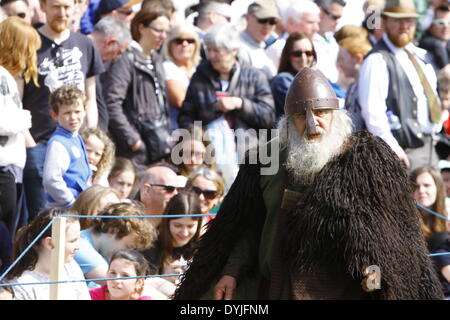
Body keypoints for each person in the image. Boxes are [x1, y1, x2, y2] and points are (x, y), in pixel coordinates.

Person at [174, 67, 443, 300]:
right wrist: (231, 271)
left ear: (335, 114)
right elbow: (247, 223)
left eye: (322, 112)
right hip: (275, 286)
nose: (313, 123)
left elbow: (384, 231)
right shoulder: (266, 160)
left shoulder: (363, 162)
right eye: (302, 116)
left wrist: (375, 266)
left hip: (337, 291)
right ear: (289, 122)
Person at [21, 0, 104, 221]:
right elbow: (17, 99)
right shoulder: (29, 43)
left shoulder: (85, 44)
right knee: (42, 220)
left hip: (77, 141)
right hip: (39, 142)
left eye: (67, 7)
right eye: (56, 6)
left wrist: (90, 136)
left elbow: (92, 96)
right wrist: (30, 144)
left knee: (78, 220)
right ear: (43, 6)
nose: (62, 13)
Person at [358, 0, 445, 171]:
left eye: (409, 20)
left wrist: (437, 122)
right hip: (402, 152)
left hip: (428, 147)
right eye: (398, 20)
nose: (405, 26)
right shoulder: (377, 59)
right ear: (384, 22)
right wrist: (392, 147)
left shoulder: (419, 56)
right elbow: (373, 112)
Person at [178, 22, 275, 170]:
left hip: (247, 156)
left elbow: (268, 117)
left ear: (233, 51)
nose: (211, 56)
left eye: (217, 50)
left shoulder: (254, 76)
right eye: (209, 50)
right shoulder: (201, 76)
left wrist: (241, 104)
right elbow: (186, 116)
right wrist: (199, 136)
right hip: (209, 157)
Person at [105, 7, 171, 172]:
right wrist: (133, 140)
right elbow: (112, 102)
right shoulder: (126, 59)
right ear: (141, 27)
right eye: (158, 30)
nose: (163, 36)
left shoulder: (156, 60)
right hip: (134, 151)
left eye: (166, 31)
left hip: (157, 144)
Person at [0, 17, 40, 241]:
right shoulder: (2, 76)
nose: (31, 56)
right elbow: (3, 122)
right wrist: (23, 119)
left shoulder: (7, 76)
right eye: (28, 49)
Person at [7, 209, 91, 300]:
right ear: (50, 243)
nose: (78, 246)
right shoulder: (22, 287)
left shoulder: (71, 267)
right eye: (72, 241)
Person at [74, 201, 156, 285]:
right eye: (128, 246)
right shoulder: (79, 246)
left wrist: (159, 283)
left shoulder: (105, 252)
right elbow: (117, 282)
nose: (127, 253)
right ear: (112, 230)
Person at [43, 84, 91, 210]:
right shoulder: (58, 143)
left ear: (85, 111)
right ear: (55, 115)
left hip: (79, 206)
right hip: (62, 210)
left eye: (77, 111)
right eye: (67, 113)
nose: (73, 117)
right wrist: (71, 203)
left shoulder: (76, 138)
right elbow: (51, 180)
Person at [140, 192, 202, 286]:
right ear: (167, 221)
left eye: (190, 226)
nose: (184, 233)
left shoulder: (202, 247)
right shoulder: (148, 246)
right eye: (178, 225)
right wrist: (162, 278)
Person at [88, 16, 132, 132]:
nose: (115, 59)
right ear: (110, 42)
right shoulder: (80, 54)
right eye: (118, 53)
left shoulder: (92, 58)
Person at [160, 23, 201, 131]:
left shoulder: (198, 69)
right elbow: (180, 102)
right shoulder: (168, 68)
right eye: (178, 41)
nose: (185, 44)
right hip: (177, 132)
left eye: (190, 40)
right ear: (169, 45)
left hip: (200, 131)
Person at [270, 31, 317, 120]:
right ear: (288, 56)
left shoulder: (315, 80)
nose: (303, 58)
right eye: (297, 54)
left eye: (308, 53)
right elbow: (306, 111)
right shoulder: (282, 80)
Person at [266, 0, 321, 71]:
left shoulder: (320, 46)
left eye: (309, 53)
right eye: (310, 22)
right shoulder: (277, 48)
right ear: (291, 22)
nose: (316, 28)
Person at [337, 32, 373, 131]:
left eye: (342, 59)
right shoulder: (352, 88)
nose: (339, 64)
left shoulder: (371, 88)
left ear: (358, 58)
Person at [237, 0, 280, 80]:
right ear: (247, 18)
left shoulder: (261, 46)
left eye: (272, 22)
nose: (267, 26)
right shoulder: (239, 48)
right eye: (262, 20)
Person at [411, 166, 449, 242]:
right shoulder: (404, 219)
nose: (421, 191)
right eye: (416, 186)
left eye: (426, 185)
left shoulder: (448, 212)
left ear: (438, 188)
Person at [312, 0, 346, 84]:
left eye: (339, 17)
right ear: (320, 12)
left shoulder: (333, 41)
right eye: (334, 17)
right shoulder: (306, 40)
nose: (337, 22)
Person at [186, 165, 225, 232]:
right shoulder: (171, 219)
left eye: (209, 194)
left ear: (218, 199)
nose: (201, 198)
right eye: (196, 191)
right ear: (186, 190)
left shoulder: (219, 226)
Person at [419, 5, 450, 73]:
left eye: (449, 23)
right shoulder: (421, 53)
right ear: (430, 25)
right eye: (441, 23)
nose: (446, 27)